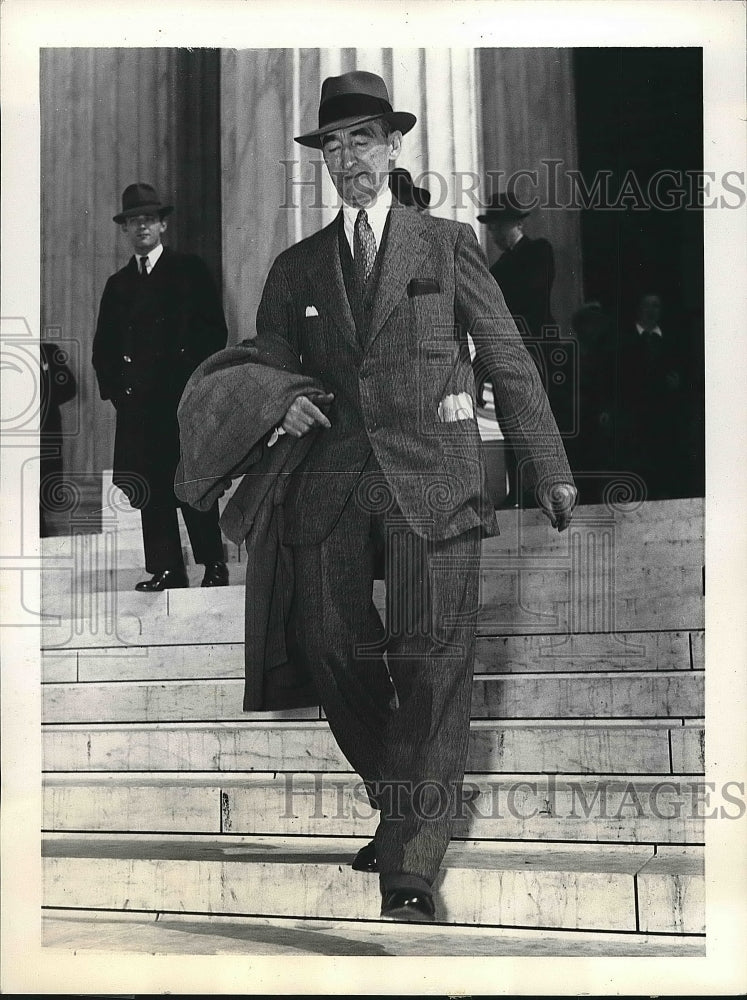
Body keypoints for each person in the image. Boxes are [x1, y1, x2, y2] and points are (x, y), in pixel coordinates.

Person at [254, 70, 577, 923]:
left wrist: (548, 463)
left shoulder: (443, 244)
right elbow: (264, 370)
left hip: (432, 480)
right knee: (327, 646)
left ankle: (410, 865)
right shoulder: (294, 269)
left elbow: (504, 353)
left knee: (433, 660)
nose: (347, 157)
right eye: (332, 144)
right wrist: (274, 401)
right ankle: (404, 802)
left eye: (362, 139)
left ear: (393, 147)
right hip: (330, 486)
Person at [92, 183, 229, 591]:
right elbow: (103, 350)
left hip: (183, 402)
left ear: (163, 225)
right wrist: (121, 392)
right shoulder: (117, 286)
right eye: (133, 221)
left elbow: (214, 331)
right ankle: (166, 568)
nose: (141, 227)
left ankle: (213, 565)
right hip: (140, 410)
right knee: (151, 490)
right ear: (125, 230)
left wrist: (193, 385)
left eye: (148, 219)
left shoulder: (189, 270)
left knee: (193, 483)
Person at [474, 193, 557, 506]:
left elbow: (531, 294)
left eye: (496, 226)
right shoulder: (497, 269)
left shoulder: (539, 251)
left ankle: (547, 489)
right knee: (510, 423)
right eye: (492, 227)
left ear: (513, 223)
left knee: (539, 419)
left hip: (537, 352)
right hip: (507, 355)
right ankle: (522, 492)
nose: (493, 233)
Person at [615, 291, 686, 500]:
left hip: (666, 414)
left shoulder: (672, 340)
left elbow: (687, 372)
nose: (651, 310)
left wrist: (679, 383)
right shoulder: (623, 340)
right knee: (639, 465)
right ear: (638, 309)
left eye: (656, 305)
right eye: (647, 305)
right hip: (635, 415)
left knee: (666, 462)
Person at [39, 340, 77, 536]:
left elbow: (70, 388)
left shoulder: (49, 351)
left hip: (46, 432)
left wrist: (41, 397)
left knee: (45, 486)